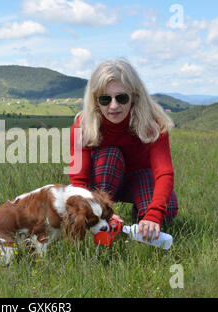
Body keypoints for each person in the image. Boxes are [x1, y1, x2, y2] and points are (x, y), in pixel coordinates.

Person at [69, 59, 178, 242]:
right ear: (96, 101)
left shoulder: (153, 123)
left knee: (169, 208)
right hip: (104, 179)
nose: (113, 106)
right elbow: (78, 181)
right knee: (110, 155)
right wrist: (100, 214)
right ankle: (100, 218)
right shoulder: (82, 126)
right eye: (105, 99)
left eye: (121, 98)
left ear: (134, 97)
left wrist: (154, 214)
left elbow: (164, 172)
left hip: (139, 178)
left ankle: (141, 217)